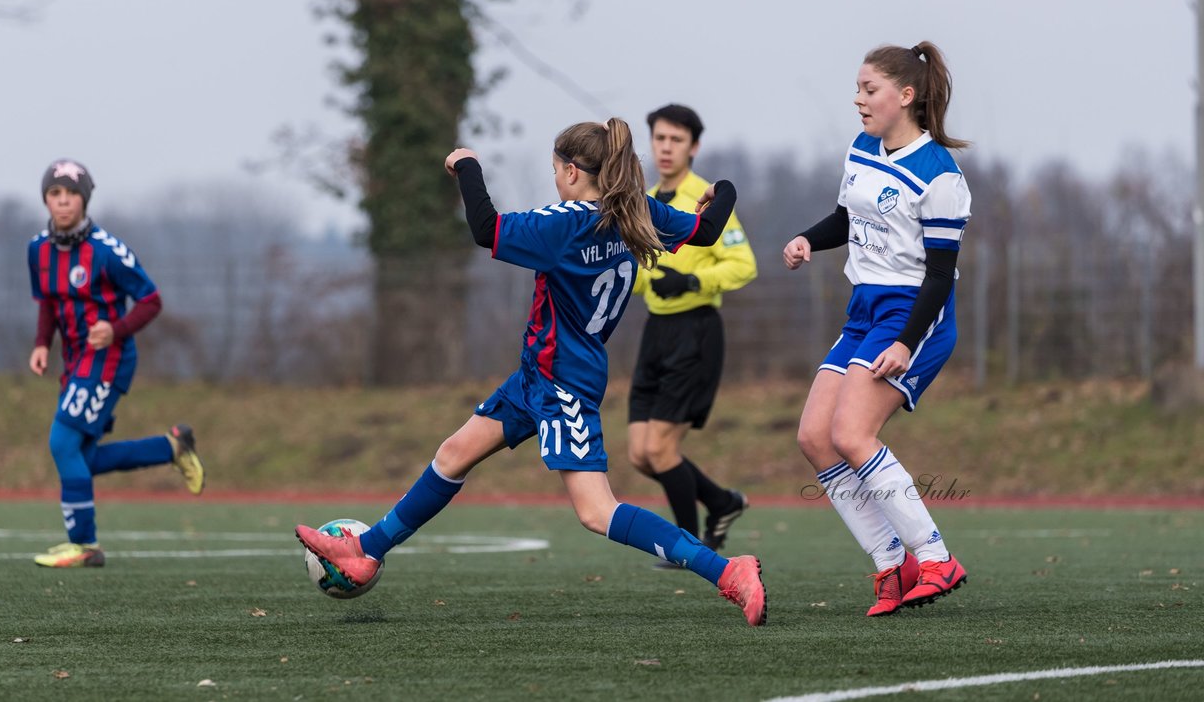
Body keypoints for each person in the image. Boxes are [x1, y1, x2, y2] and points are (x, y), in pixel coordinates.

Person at [297, 119, 767, 626]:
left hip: (564, 381)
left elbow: (485, 229)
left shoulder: (563, 224)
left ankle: (726, 570)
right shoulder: (636, 212)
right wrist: (724, 191)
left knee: (596, 512)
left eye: (553, 170)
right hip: (538, 374)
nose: (554, 180)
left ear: (570, 171)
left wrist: (466, 165)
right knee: (453, 454)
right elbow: (709, 228)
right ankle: (365, 551)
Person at [783, 42, 971, 616]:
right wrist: (807, 240)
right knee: (815, 436)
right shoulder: (863, 148)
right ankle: (893, 562)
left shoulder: (940, 174)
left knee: (853, 436)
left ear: (905, 96)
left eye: (870, 89)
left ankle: (936, 556)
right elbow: (848, 216)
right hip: (865, 309)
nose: (859, 99)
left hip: (913, 315)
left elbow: (939, 277)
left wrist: (905, 342)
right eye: (858, 88)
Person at [27, 158, 204, 568]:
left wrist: (116, 329)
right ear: (46, 200)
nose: (63, 201)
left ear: (85, 199)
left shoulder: (108, 252)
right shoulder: (37, 249)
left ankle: (84, 545)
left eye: (71, 194)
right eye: (55, 194)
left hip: (109, 360)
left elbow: (151, 301)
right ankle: (171, 447)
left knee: (62, 442)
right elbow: (48, 304)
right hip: (75, 363)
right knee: (81, 459)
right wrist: (41, 344)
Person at [627, 104, 757, 561]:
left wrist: (693, 280)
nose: (666, 147)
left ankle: (685, 546)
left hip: (696, 331)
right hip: (655, 331)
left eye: (676, 140)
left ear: (693, 147)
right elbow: (637, 271)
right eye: (660, 138)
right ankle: (721, 502)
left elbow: (743, 265)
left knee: (661, 450)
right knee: (640, 454)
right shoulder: (641, 200)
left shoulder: (707, 198)